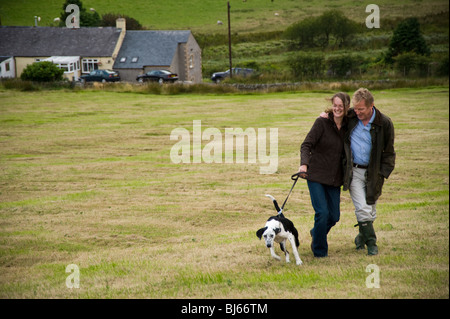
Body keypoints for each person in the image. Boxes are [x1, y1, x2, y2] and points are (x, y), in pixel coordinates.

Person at [342, 88, 396, 255]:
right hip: (354, 171)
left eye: (361, 109)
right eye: (355, 109)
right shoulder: (351, 117)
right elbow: (335, 114)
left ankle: (361, 237)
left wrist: (383, 173)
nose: (357, 112)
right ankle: (372, 244)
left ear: (371, 106)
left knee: (370, 209)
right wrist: (324, 115)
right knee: (362, 208)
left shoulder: (384, 123)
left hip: (374, 173)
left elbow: (389, 151)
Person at [298, 92, 350, 257]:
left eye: (340, 106)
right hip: (316, 176)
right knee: (322, 213)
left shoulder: (349, 124)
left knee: (334, 216)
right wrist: (303, 165)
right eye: (335, 105)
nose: (337, 109)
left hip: (334, 178)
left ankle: (317, 232)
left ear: (346, 108)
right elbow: (306, 145)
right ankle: (320, 251)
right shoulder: (322, 122)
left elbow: (363, 110)